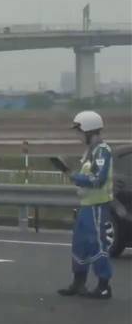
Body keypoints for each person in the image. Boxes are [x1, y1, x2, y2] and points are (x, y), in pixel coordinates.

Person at [58, 110, 114, 299]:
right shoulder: (89, 152)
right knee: (80, 244)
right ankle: (78, 283)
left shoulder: (102, 151)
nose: (78, 135)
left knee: (97, 245)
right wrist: (69, 172)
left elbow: (98, 179)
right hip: (86, 206)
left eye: (79, 131)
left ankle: (104, 286)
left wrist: (72, 174)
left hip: (97, 207)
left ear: (89, 130)